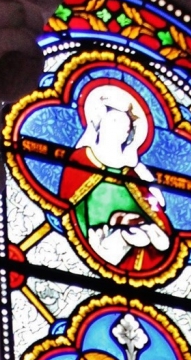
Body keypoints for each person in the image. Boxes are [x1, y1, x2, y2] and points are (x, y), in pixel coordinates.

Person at [59, 82, 174, 272]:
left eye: (127, 126)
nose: (122, 129)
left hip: (133, 238)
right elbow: (67, 205)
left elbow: (155, 211)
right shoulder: (82, 159)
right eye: (114, 121)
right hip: (93, 236)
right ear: (99, 124)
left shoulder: (133, 173)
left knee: (152, 237)